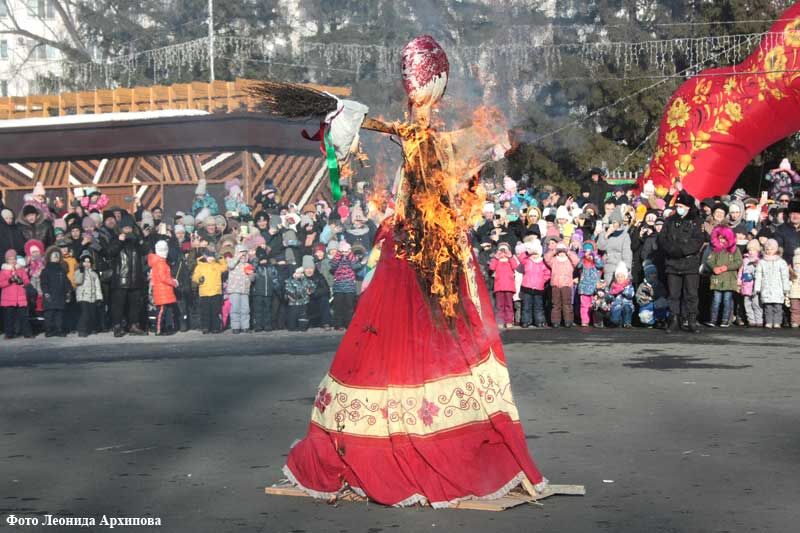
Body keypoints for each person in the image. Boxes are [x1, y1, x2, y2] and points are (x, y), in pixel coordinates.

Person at [658, 190, 705, 333]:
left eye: (681, 206)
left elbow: (698, 241)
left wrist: (683, 251)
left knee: (691, 294)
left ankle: (691, 320)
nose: (678, 208)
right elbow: (662, 239)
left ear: (688, 207)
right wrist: (672, 250)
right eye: (677, 205)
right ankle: (673, 319)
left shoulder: (696, 221)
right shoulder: (670, 221)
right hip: (672, 262)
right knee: (673, 294)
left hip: (689, 262)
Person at [105, 214, 148, 337]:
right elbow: (109, 253)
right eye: (125, 228)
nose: (128, 230)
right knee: (118, 304)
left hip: (135, 277)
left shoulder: (136, 239)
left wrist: (141, 240)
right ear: (121, 228)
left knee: (135, 304)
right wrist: (119, 241)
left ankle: (134, 325)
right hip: (120, 278)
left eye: (129, 227)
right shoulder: (115, 238)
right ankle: (117, 326)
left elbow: (146, 250)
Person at [705, 226, 743, 328]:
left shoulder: (735, 249)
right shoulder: (715, 249)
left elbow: (739, 262)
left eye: (724, 238)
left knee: (727, 300)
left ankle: (725, 320)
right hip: (717, 279)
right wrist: (713, 268)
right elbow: (709, 260)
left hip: (729, 279)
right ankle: (713, 319)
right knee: (716, 300)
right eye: (720, 238)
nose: (722, 240)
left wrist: (727, 267)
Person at [755, 239, 791, 329]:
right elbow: (758, 275)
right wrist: (757, 288)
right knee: (768, 307)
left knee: (778, 307)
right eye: (767, 249)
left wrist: (786, 288)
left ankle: (777, 322)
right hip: (766, 288)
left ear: (776, 249)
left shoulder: (781, 262)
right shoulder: (762, 262)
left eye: (771, 249)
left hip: (778, 289)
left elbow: (785, 276)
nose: (769, 251)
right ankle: (769, 321)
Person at [192, 250, 228, 334]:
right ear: (205, 257)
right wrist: (199, 279)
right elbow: (195, 276)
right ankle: (205, 327)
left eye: (212, 256)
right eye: (208, 257)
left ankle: (215, 327)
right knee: (205, 311)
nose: (210, 259)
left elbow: (225, 267)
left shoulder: (217, 265)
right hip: (204, 292)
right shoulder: (200, 266)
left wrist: (220, 258)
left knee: (215, 311)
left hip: (216, 292)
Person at [544, 241, 578, 328]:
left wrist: (568, 251)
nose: (561, 253)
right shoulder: (554, 260)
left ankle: (568, 320)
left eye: (563, 251)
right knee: (556, 304)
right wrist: (555, 251)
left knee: (567, 304)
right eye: (560, 251)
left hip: (566, 285)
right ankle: (555, 321)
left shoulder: (569, 261)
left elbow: (576, 260)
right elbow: (546, 258)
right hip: (555, 285)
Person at [517, 240, 550, 328]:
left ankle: (539, 321)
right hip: (527, 286)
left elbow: (547, 273)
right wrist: (528, 250)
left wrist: (543, 280)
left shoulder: (543, 263)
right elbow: (520, 257)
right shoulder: (527, 261)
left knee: (538, 306)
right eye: (533, 254)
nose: (534, 256)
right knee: (526, 305)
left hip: (539, 288)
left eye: (536, 254)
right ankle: (526, 321)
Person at [148, 240, 178, 336]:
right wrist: (173, 282)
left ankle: (167, 327)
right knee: (161, 311)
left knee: (166, 310)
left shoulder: (161, 262)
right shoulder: (160, 263)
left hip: (165, 290)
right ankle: (159, 329)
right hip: (162, 290)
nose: (164, 251)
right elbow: (163, 277)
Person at [0, 249, 31, 339]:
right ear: (7, 260)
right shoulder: (3, 271)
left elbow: (27, 281)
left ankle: (27, 333)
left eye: (14, 259)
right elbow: (1, 283)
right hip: (8, 298)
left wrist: (21, 281)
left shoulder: (20, 269)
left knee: (23, 316)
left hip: (20, 296)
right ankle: (9, 333)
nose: (12, 261)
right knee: (9, 317)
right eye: (10, 259)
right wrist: (9, 281)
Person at [74, 250, 104, 337]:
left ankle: (90, 328)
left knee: (92, 314)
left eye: (88, 262)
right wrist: (81, 271)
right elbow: (78, 281)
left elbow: (97, 287)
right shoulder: (78, 271)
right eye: (85, 261)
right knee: (84, 314)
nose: (87, 264)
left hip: (92, 297)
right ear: (81, 262)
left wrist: (99, 297)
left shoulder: (94, 274)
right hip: (83, 297)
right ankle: (82, 330)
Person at [330, 240, 359, 330]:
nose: (344, 253)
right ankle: (338, 324)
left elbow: (355, 266)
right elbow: (333, 266)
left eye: (346, 251)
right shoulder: (337, 258)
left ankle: (348, 323)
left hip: (349, 285)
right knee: (338, 306)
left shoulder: (353, 257)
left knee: (349, 306)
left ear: (349, 250)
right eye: (342, 251)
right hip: (338, 285)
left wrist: (350, 255)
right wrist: (339, 255)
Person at [489, 242, 519, 328]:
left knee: (509, 305)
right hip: (499, 287)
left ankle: (509, 321)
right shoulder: (496, 260)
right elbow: (491, 267)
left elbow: (515, 266)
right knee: (500, 305)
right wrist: (496, 257)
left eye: (505, 250)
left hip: (509, 287)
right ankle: (500, 321)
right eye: (501, 250)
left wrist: (510, 256)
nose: (503, 253)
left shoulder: (510, 260)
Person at [41, 246, 69, 337]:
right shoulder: (45, 270)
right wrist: (46, 293)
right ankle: (49, 330)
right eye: (54, 256)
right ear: (49, 257)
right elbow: (44, 283)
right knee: (49, 314)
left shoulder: (62, 270)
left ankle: (59, 330)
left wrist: (68, 291)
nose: (56, 257)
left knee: (59, 315)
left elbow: (66, 282)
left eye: (57, 256)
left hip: (60, 295)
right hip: (50, 296)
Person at [226, 244, 255, 334]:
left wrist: (251, 275)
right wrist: (237, 257)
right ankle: (235, 327)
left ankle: (245, 326)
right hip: (234, 289)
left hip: (245, 290)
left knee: (245, 309)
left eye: (244, 253)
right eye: (241, 253)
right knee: (235, 309)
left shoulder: (248, 264)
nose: (243, 255)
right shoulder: (232, 261)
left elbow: (253, 279)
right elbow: (230, 266)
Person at [576, 240, 603, 327]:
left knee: (595, 305)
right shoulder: (582, 261)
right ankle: (585, 321)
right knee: (584, 306)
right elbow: (578, 265)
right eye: (585, 251)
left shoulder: (596, 262)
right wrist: (582, 256)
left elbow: (601, 265)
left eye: (589, 252)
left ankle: (596, 321)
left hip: (594, 288)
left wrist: (594, 256)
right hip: (584, 287)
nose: (588, 254)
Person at [738, 239, 763, 327]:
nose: (751, 252)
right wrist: (739, 281)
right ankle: (751, 320)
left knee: (756, 303)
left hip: (755, 286)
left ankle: (759, 320)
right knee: (747, 304)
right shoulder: (745, 260)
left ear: (758, 250)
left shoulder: (760, 261)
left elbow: (761, 273)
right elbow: (741, 271)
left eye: (754, 250)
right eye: (750, 250)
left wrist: (756, 265)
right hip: (746, 285)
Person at [285, 266, 314, 331]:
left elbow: (312, 286)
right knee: (293, 316)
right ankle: (292, 327)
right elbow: (289, 290)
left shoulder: (306, 280)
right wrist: (294, 295)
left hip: (304, 301)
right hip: (294, 302)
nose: (299, 275)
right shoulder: (289, 281)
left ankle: (302, 327)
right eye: (297, 273)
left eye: (300, 273)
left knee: (303, 315)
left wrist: (310, 290)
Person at [608, 262, 635, 328]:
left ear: (625, 277)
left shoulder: (628, 285)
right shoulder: (613, 285)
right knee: (615, 319)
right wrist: (610, 296)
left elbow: (631, 294)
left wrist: (623, 291)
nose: (620, 278)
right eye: (618, 277)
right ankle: (618, 321)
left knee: (627, 309)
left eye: (621, 277)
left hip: (627, 303)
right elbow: (610, 295)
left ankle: (627, 323)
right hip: (616, 304)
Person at [789, 248, 800, 328]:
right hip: (794, 292)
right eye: (797, 264)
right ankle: (795, 321)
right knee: (795, 308)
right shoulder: (792, 273)